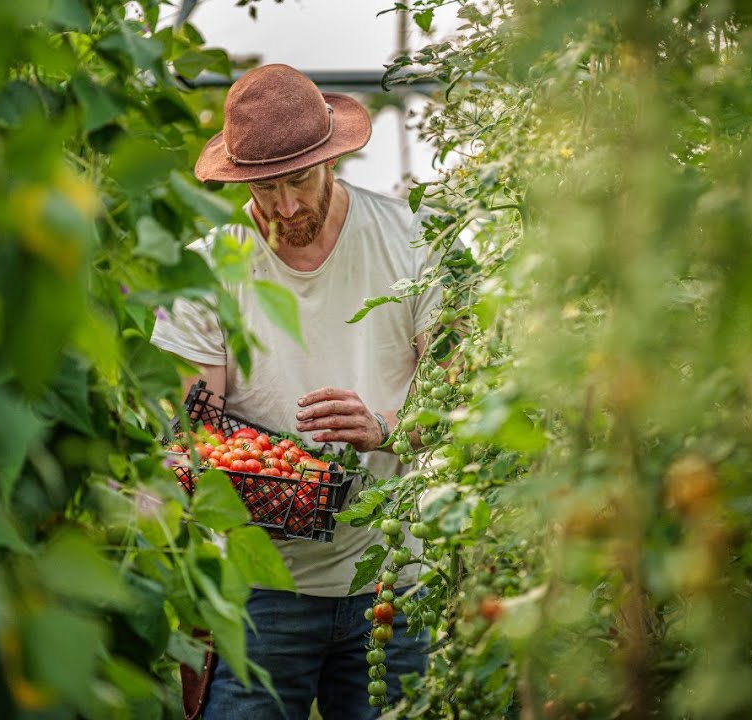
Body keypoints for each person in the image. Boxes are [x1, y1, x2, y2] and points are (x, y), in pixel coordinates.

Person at [150, 63, 452, 719]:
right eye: (265, 188)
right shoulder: (208, 266)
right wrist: (216, 464)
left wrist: (383, 425)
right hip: (263, 585)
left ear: (333, 160)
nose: (285, 207)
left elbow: (457, 395)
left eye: (299, 182)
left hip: (392, 577)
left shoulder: (412, 243)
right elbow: (193, 421)